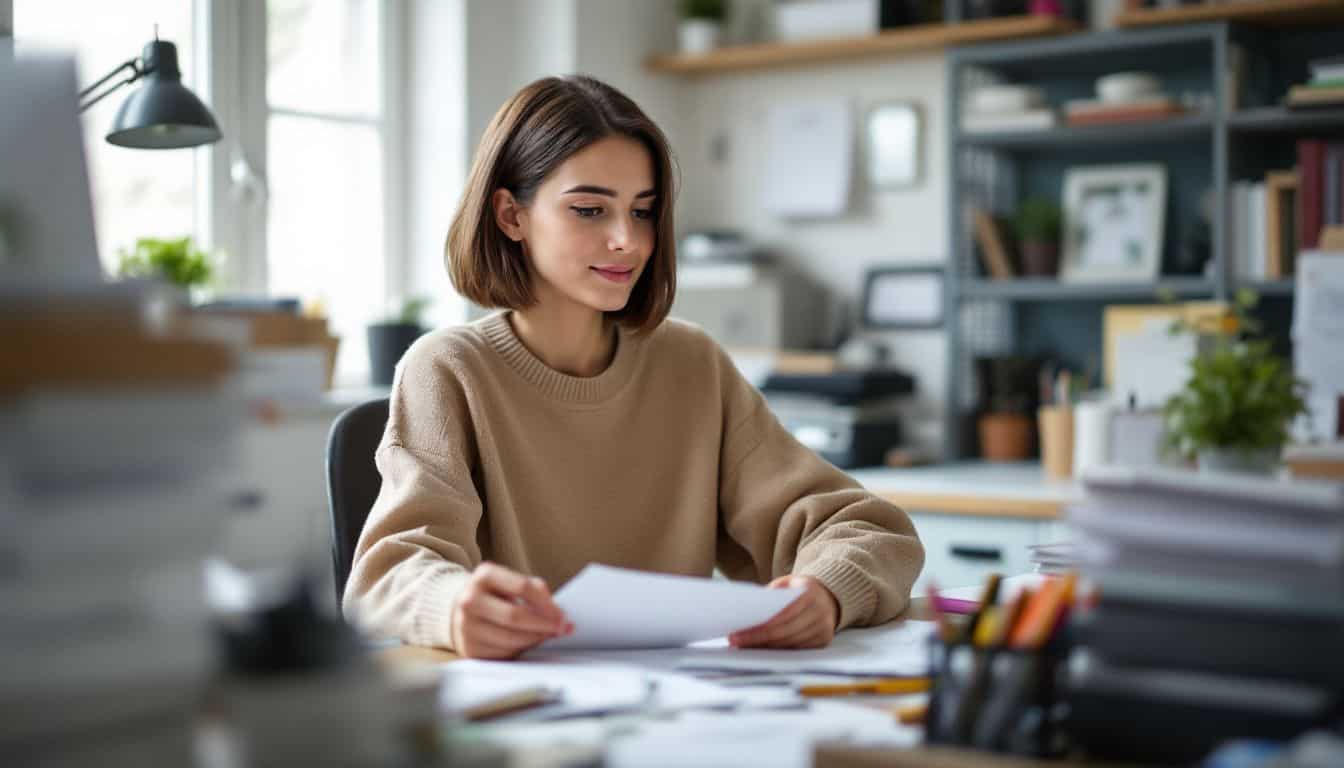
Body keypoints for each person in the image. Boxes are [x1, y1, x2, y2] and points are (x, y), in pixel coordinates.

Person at [343, 75, 924, 660]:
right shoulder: (447, 370)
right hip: (526, 721)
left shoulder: (690, 364)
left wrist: (825, 591)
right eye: (590, 209)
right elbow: (386, 576)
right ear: (510, 215)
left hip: (684, 713)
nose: (627, 240)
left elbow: (870, 530)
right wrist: (450, 604)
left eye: (643, 211)